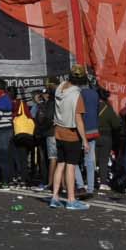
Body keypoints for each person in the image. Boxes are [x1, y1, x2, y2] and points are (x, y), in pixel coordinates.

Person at [49, 70, 88, 210]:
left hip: (58, 131)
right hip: (71, 133)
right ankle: (71, 200)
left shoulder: (60, 88)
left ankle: (55, 197)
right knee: (71, 166)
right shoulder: (76, 95)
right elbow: (78, 120)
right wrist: (84, 140)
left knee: (60, 164)